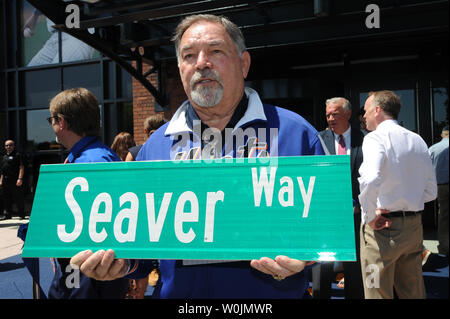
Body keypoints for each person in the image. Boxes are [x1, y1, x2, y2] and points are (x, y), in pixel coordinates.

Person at [70, 14, 325, 299]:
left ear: (243, 63)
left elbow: (330, 228)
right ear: (180, 68)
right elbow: (142, 250)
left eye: (216, 51)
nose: (201, 63)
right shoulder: (155, 148)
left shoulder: (297, 134)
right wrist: (121, 264)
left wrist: (309, 255)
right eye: (189, 55)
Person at [46, 87, 129, 298]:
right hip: (88, 274)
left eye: (51, 120)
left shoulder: (89, 164)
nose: (52, 126)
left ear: (62, 122)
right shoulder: (97, 156)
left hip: (88, 278)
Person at [358, 90, 437, 299]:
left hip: (382, 229)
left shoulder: (375, 138)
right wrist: (408, 201)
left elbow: (369, 179)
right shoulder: (417, 139)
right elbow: (431, 191)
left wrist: (369, 216)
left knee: (376, 291)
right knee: (413, 292)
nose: (363, 116)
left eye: (365, 111)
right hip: (413, 228)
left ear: (377, 110)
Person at [313, 97, 365, 299]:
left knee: (354, 267)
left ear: (348, 114)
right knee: (322, 267)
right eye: (327, 115)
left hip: (356, 215)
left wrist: (360, 205)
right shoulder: (317, 139)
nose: (330, 118)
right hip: (326, 216)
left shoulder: (366, 140)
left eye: (335, 113)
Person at [428, 125, 449, 257]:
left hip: (441, 187)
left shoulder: (433, 149)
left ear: (442, 135)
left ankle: (444, 247)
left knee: (444, 218)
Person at [0, 140, 26, 220]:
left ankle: (21, 214)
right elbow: (2, 170)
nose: (8, 147)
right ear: (5, 147)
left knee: (18, 198)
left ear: (13, 146)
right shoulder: (3, 157)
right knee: (6, 198)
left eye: (10, 145)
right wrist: (0, 180)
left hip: (15, 180)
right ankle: (8, 214)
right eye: (7, 145)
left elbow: (21, 167)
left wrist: (20, 178)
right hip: (5, 180)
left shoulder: (17, 155)